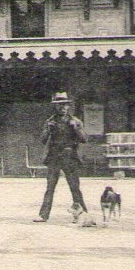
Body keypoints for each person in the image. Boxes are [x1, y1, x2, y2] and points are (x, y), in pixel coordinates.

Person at [33, 92, 93, 225]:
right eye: (59, 105)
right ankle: (43, 215)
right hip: (54, 156)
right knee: (50, 187)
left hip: (70, 156)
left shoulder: (76, 121)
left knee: (75, 187)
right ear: (55, 106)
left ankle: (82, 215)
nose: (63, 108)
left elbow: (84, 139)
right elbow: (42, 140)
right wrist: (48, 130)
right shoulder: (50, 122)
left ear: (69, 106)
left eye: (65, 105)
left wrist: (75, 128)